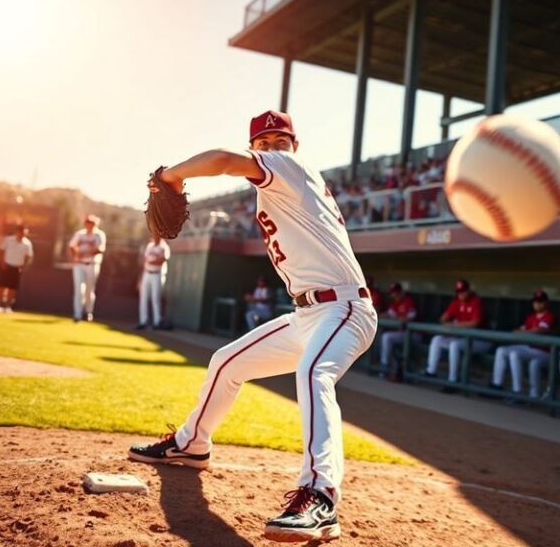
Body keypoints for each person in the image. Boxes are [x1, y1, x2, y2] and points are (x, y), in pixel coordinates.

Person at [127, 109, 377, 543]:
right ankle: (192, 443)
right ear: (255, 149)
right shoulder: (279, 185)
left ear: (294, 147)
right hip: (308, 315)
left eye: (280, 141)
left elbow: (224, 159)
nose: (272, 150)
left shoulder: (290, 167)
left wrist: (172, 176)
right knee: (227, 362)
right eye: (263, 145)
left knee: (314, 373)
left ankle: (321, 496)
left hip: (345, 309)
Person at [424, 279, 489, 393]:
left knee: (454, 345)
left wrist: (454, 324)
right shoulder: (456, 302)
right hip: (463, 339)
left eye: (463, 291)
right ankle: (431, 371)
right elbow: (443, 318)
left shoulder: (476, 301)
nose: (461, 294)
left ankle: (453, 380)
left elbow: (475, 323)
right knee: (437, 340)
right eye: (458, 292)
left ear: (469, 290)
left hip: (480, 341)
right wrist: (447, 321)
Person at [490, 290, 555, 398]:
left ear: (546, 303)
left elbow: (539, 331)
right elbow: (518, 331)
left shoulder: (549, 316)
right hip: (530, 348)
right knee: (501, 350)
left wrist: (527, 332)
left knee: (515, 354)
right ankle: (497, 384)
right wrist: (528, 332)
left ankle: (517, 391)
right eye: (535, 301)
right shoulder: (531, 317)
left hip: (544, 351)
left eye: (540, 301)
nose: (537, 304)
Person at [68, 214, 106, 322]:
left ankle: (88, 312)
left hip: (92, 264)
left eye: (92, 223)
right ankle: (77, 314)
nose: (89, 225)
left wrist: (84, 253)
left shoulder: (99, 235)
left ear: (95, 224)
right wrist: (75, 255)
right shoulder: (79, 234)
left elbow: (100, 249)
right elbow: (71, 246)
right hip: (79, 264)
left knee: (89, 290)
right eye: (88, 223)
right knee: (78, 289)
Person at [378, 282, 418, 381]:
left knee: (387, 337)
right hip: (401, 333)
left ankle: (385, 367)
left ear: (401, 292)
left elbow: (409, 318)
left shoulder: (409, 302)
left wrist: (395, 318)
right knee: (384, 336)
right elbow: (387, 314)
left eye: (396, 293)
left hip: (413, 334)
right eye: (392, 293)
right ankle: (385, 366)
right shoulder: (395, 303)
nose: (394, 295)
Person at [0, 225, 33, 313]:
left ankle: (8, 306)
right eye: (21, 232)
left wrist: (24, 266)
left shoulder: (27, 243)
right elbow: (1, 251)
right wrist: (2, 263)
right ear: (17, 232)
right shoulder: (8, 240)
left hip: (17, 268)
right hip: (6, 266)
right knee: (2, 286)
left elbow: (29, 256)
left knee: (13, 288)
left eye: (25, 233)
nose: (23, 234)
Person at [137, 235, 171, 330]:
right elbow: (144, 261)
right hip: (147, 273)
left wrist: (152, 261)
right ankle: (143, 321)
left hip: (157, 274)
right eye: (154, 235)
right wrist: (140, 278)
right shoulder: (150, 246)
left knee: (155, 298)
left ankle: (157, 321)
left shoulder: (164, 247)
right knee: (143, 298)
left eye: (157, 235)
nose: (155, 237)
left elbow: (162, 260)